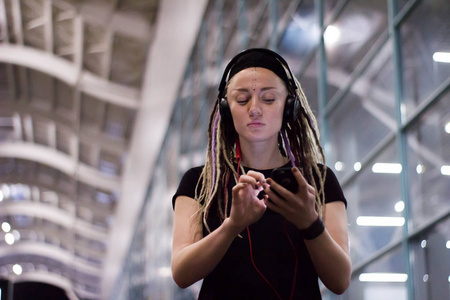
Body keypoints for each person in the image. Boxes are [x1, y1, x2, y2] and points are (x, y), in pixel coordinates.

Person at [171, 48, 351, 299]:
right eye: (242, 100)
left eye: (268, 99)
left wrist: (310, 223)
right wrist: (233, 225)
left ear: (289, 106)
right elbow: (181, 272)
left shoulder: (319, 180)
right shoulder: (200, 183)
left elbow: (340, 280)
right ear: (225, 109)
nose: (254, 109)